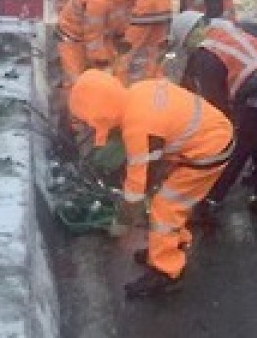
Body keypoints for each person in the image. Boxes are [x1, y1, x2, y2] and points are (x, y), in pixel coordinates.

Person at [68, 69, 234, 298]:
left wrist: (124, 220)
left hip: (207, 150)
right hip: (210, 136)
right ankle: (171, 244)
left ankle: (166, 272)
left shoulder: (138, 128)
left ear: (101, 115)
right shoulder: (137, 91)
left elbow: (138, 184)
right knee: (171, 202)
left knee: (164, 207)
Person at [168, 12, 257, 219]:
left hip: (255, 92)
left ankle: (211, 201)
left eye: (185, 46)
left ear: (189, 35)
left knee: (236, 148)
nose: (188, 51)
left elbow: (216, 105)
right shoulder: (240, 27)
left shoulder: (207, 53)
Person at [55, 0, 147, 127]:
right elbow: (93, 37)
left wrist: (119, 41)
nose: (133, 2)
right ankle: (75, 125)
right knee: (76, 82)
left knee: (118, 75)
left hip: (103, 36)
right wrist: (101, 64)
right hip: (72, 37)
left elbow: (121, 20)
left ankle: (111, 114)